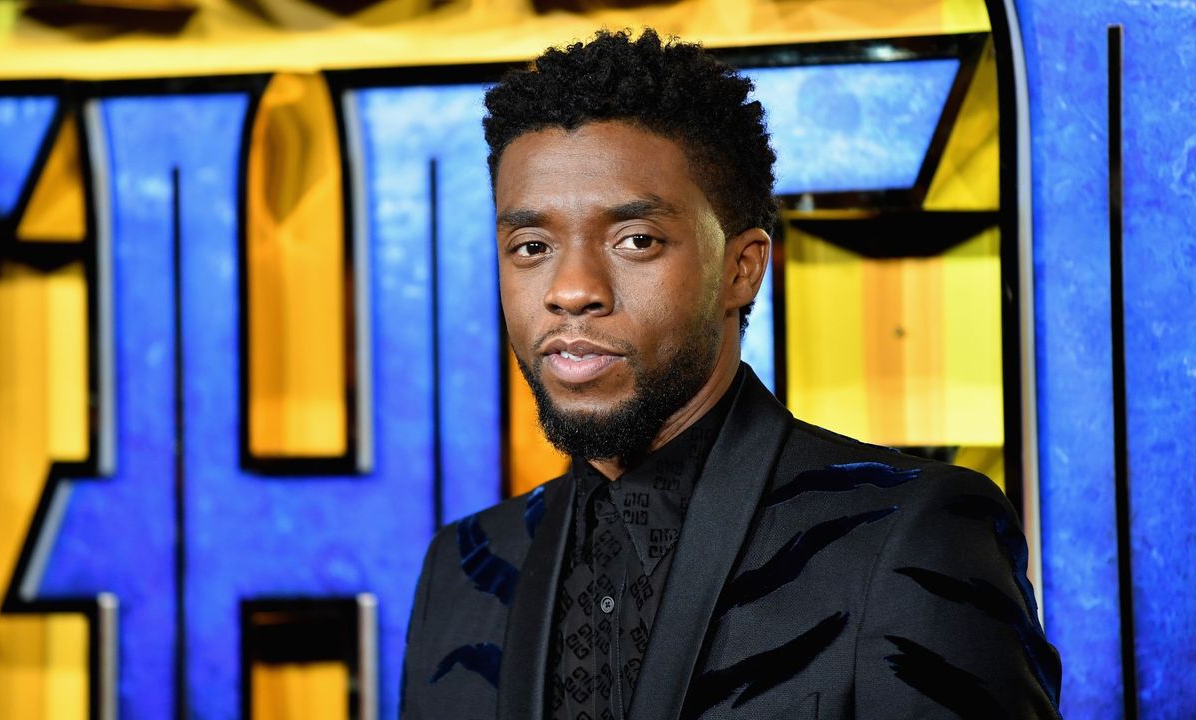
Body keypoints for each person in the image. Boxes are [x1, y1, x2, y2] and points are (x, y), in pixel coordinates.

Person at [400, 28, 1061, 720]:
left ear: (741, 269)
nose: (571, 289)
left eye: (635, 241)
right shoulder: (464, 569)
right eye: (531, 246)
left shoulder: (911, 534)